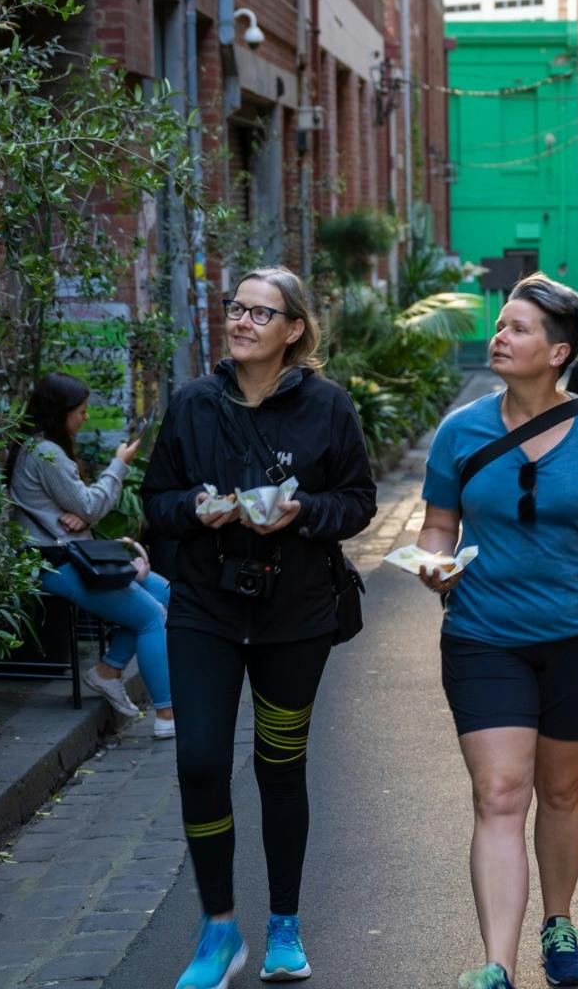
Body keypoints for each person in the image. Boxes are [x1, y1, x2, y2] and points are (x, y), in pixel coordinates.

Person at [417, 273, 578, 989]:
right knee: (499, 792)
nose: (499, 337)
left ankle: (559, 920)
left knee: (559, 792)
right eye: (500, 325)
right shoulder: (461, 430)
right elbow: (438, 525)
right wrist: (433, 564)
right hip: (483, 635)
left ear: (558, 353)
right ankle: (498, 962)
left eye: (518, 328)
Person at [141, 267, 377, 989]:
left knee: (280, 766)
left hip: (295, 615)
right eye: (235, 308)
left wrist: (304, 514)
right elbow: (156, 500)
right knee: (201, 763)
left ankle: (283, 926)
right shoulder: (191, 405)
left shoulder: (328, 409)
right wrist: (197, 511)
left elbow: (358, 502)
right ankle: (218, 931)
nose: (240, 321)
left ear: (293, 331)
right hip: (205, 610)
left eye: (259, 312)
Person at [7, 373, 174, 738]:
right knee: (150, 617)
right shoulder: (46, 452)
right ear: (60, 412)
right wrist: (119, 464)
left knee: (161, 592)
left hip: (68, 552)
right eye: (81, 411)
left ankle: (108, 672)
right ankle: (167, 714)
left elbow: (82, 506)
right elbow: (89, 503)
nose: (85, 417)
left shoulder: (38, 447)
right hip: (55, 562)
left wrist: (82, 513)